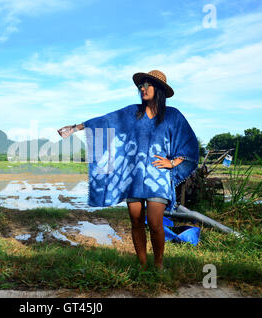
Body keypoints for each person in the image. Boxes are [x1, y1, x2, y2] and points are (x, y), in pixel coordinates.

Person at [57, 70, 199, 271]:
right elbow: (106, 120)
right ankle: (142, 265)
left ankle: (158, 265)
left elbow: (190, 143)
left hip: (158, 177)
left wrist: (174, 162)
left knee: (156, 223)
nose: (142, 88)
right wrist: (74, 127)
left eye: (147, 85)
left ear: (158, 89)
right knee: (136, 221)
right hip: (133, 176)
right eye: (141, 85)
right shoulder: (133, 112)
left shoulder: (173, 116)